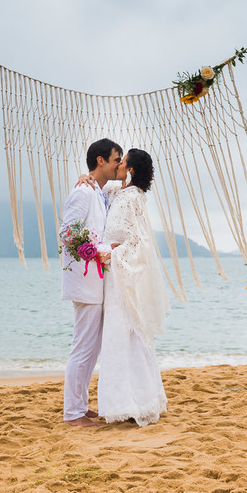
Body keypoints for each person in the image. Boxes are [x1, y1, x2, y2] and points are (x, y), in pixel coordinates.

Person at [96, 148, 170, 427]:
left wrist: (112, 254)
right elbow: (102, 189)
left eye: (123, 162)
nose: (119, 165)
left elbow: (139, 243)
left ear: (131, 170)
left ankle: (133, 403)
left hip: (120, 276)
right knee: (120, 338)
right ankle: (130, 402)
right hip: (115, 276)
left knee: (123, 337)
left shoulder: (131, 200)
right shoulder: (121, 193)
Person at [59, 138, 123, 428]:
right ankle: (72, 413)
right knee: (83, 347)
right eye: (115, 159)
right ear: (100, 161)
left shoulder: (99, 191)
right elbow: (67, 233)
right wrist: (95, 252)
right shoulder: (84, 193)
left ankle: (81, 406)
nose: (118, 165)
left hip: (96, 280)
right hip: (84, 279)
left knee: (92, 347)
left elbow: (127, 178)